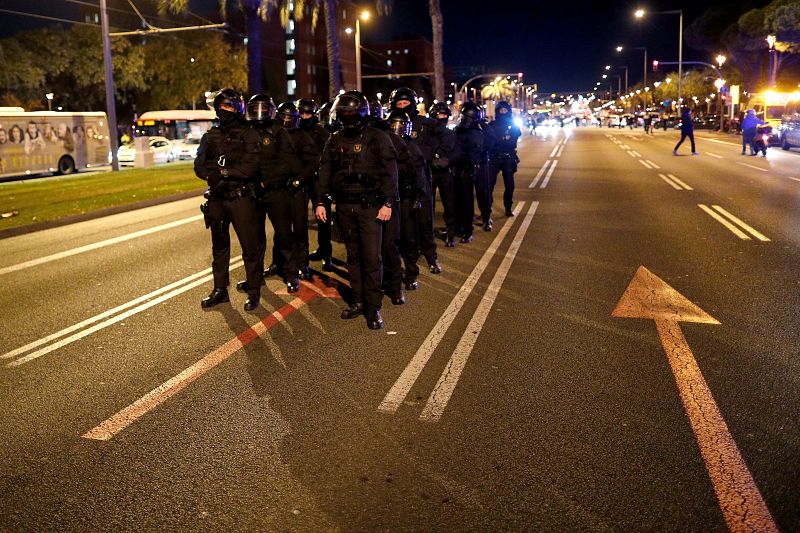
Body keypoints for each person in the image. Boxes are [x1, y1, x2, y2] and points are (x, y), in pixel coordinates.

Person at [315, 91, 399, 330]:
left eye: (351, 113)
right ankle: (358, 301)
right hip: (344, 206)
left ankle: (373, 308)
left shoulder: (378, 137)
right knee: (353, 257)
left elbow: (390, 173)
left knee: (372, 257)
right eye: (344, 113)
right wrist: (321, 201)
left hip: (370, 206)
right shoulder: (335, 139)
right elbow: (325, 171)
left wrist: (388, 203)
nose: (347, 117)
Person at [194, 88, 262, 311]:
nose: (225, 110)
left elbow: (250, 168)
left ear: (238, 109)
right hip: (217, 198)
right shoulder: (210, 136)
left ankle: (254, 291)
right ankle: (220, 289)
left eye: (229, 106)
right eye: (222, 106)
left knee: (249, 247)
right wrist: (210, 176)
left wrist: (224, 173)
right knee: (219, 247)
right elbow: (199, 165)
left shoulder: (249, 134)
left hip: (239, 197)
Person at [245, 94, 299, 293]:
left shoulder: (279, 132)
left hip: (276, 191)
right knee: (255, 238)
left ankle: (292, 274)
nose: (259, 113)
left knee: (284, 235)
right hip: (253, 193)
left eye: (263, 109)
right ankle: (255, 277)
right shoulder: (247, 131)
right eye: (255, 108)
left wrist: (266, 181)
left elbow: (287, 164)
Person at [389, 87, 442, 274]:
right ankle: (406, 260)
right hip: (398, 180)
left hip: (421, 177)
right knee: (404, 227)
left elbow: (445, 137)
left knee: (424, 222)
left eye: (406, 103)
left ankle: (431, 257)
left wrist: (434, 155)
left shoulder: (425, 123)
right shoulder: (390, 123)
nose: (403, 106)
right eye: (399, 103)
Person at [387, 109, 427, 295]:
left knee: (409, 237)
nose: (397, 129)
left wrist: (418, 196)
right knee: (390, 240)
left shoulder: (412, 148)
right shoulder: (385, 144)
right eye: (394, 125)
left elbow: (420, 175)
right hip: (390, 198)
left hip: (406, 197)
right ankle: (391, 274)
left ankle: (411, 273)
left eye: (401, 125)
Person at [277, 101, 318, 280]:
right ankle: (279, 263)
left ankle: (303, 264)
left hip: (297, 189)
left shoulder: (302, 137)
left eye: (290, 117)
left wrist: (298, 181)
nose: (286, 121)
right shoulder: (275, 134)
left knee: (300, 229)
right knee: (281, 230)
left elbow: (312, 162)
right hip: (279, 189)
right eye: (283, 117)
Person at [297, 98, 333, 271]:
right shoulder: (294, 130)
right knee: (299, 221)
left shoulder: (322, 132)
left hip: (318, 180)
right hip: (300, 181)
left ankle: (326, 254)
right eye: (302, 113)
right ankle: (301, 258)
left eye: (308, 113)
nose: (305, 116)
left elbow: (328, 157)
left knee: (323, 219)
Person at [451, 102, 484, 243]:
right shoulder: (457, 130)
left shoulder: (476, 133)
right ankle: (457, 227)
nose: (463, 119)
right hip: (456, 170)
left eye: (466, 117)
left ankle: (467, 230)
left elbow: (473, 153)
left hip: (467, 170)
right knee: (456, 202)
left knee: (466, 202)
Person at [428, 102, 457, 246]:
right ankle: (428, 232)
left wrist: (448, 160)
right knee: (428, 204)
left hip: (445, 172)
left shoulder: (451, 134)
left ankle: (450, 233)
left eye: (444, 115)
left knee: (449, 203)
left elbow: (456, 152)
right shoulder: (427, 134)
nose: (442, 117)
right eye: (440, 115)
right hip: (430, 171)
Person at [487, 101, 522, 218]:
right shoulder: (492, 125)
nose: (503, 112)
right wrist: (503, 139)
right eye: (501, 110)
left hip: (508, 157)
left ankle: (508, 207)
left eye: (505, 110)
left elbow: (515, 137)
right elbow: (490, 140)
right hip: (494, 157)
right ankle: (487, 209)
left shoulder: (513, 124)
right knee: (489, 184)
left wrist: (503, 139)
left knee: (509, 185)